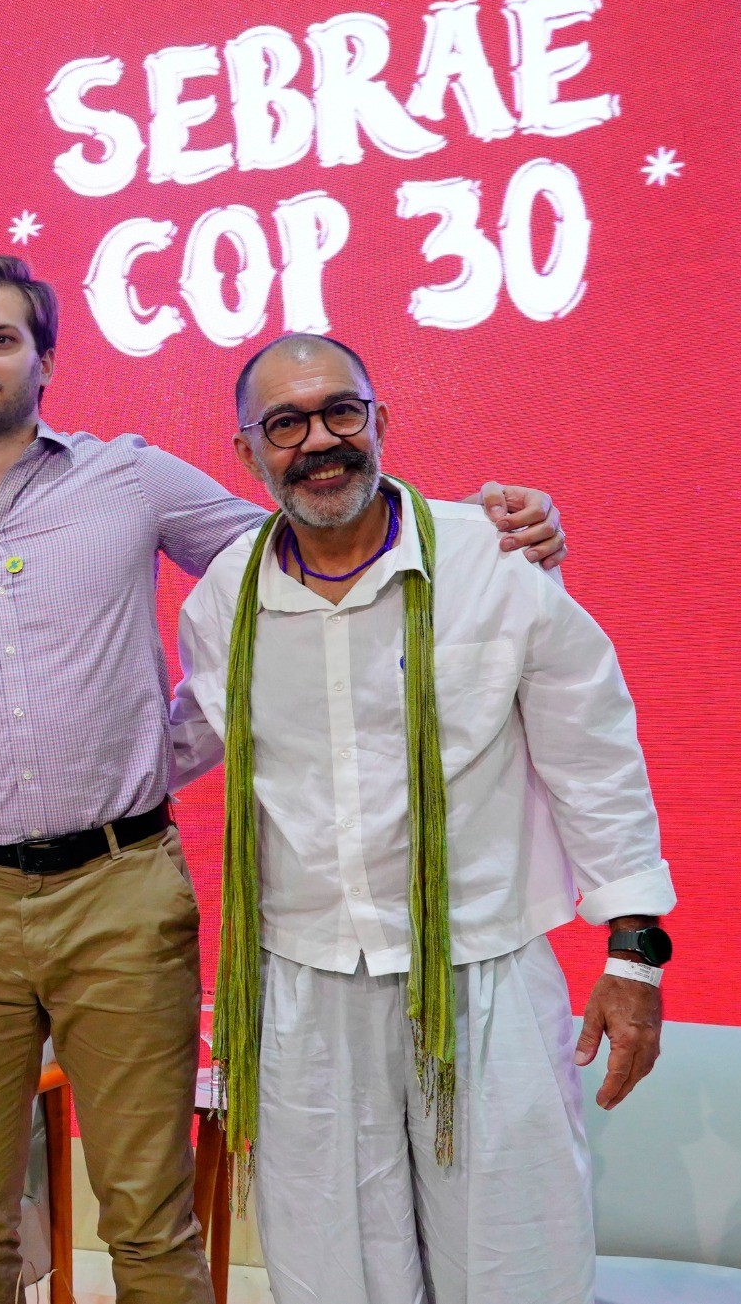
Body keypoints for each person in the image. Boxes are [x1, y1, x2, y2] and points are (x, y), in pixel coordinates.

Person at [0, 255, 567, 1304]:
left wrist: (473, 525)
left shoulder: (128, 479)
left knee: (147, 1216)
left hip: (118, 887)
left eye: (0, 337)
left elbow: (305, 546)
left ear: (44, 359)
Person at [169, 333, 672, 1304]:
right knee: (329, 1277)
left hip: (480, 976)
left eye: (339, 411)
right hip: (305, 991)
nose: (318, 441)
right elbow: (179, 745)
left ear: (379, 422)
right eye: (284, 423)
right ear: (246, 453)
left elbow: (592, 753)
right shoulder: (222, 600)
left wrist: (632, 951)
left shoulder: (495, 558)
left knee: (512, 1269)